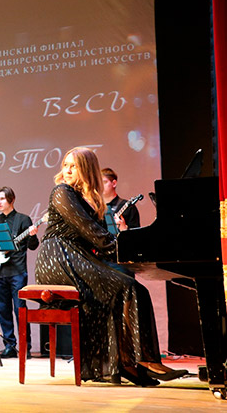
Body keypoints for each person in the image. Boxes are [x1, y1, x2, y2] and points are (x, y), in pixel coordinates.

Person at [35, 147, 187, 386]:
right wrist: (127, 251)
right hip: (59, 258)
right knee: (128, 287)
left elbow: (97, 237)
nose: (67, 170)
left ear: (86, 169)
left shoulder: (87, 198)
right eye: (66, 165)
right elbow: (92, 232)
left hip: (78, 256)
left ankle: (124, 362)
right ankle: (139, 361)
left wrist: (128, 251)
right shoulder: (62, 191)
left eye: (74, 166)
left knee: (132, 289)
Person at [0, 187, 40, 359]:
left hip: (17, 271)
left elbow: (32, 246)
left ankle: (25, 346)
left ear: (11, 199)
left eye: (2, 199)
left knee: (19, 308)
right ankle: (9, 346)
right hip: (0, 271)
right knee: (3, 309)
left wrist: (32, 235)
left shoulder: (23, 219)